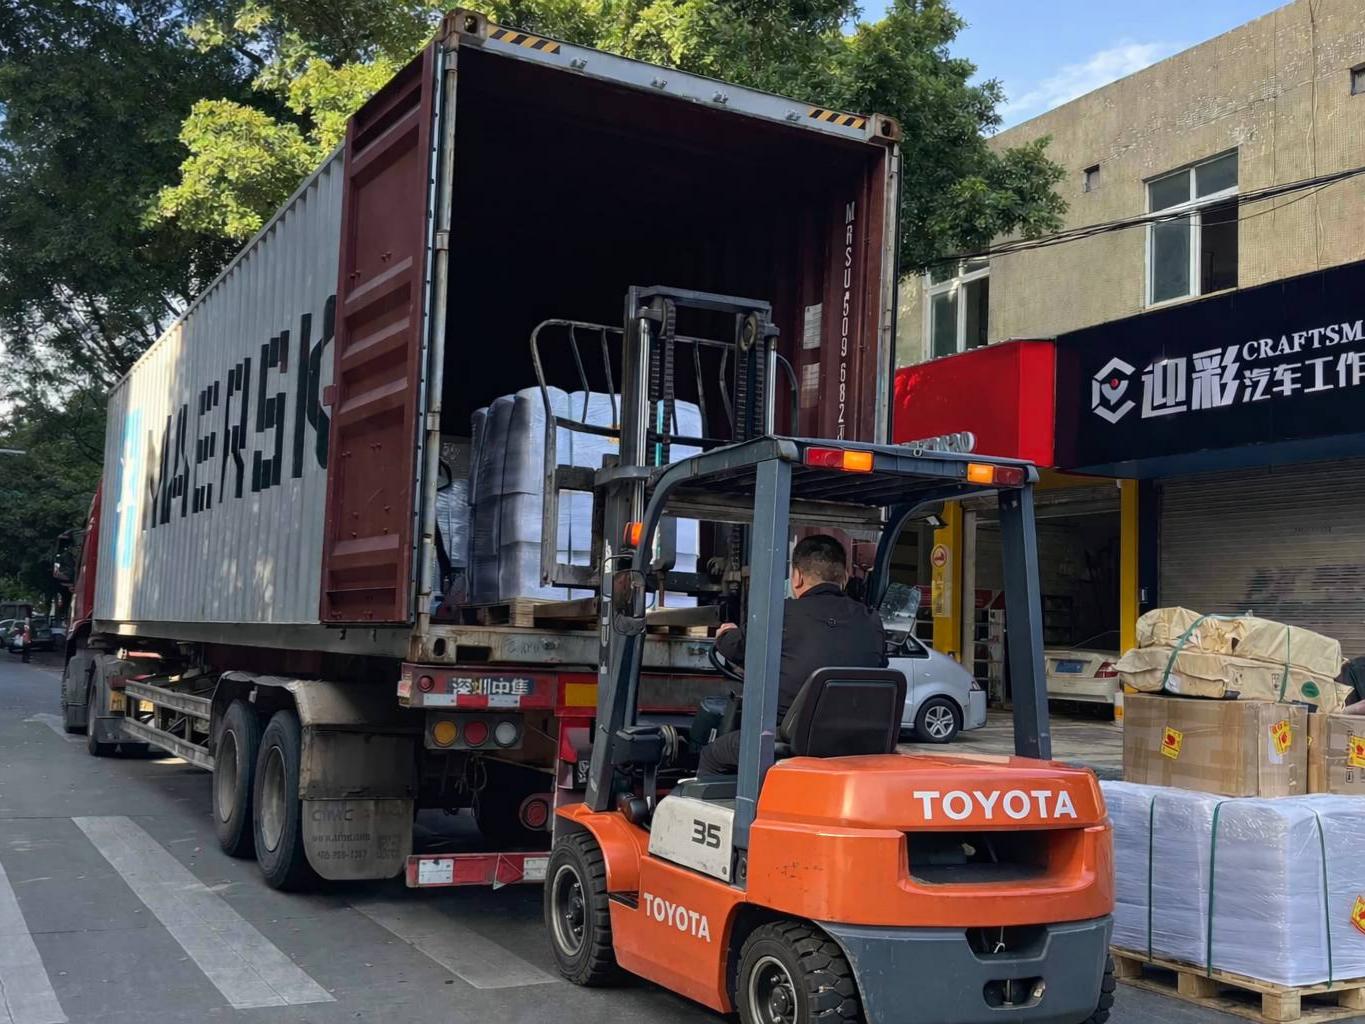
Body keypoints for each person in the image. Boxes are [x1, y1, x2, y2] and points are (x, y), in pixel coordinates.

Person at [698, 534, 888, 777]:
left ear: (797, 577)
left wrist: (726, 633)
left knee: (712, 754)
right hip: (856, 741)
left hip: (794, 738)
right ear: (845, 576)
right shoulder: (871, 620)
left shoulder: (783, 614)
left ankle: (742, 812)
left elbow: (735, 646)